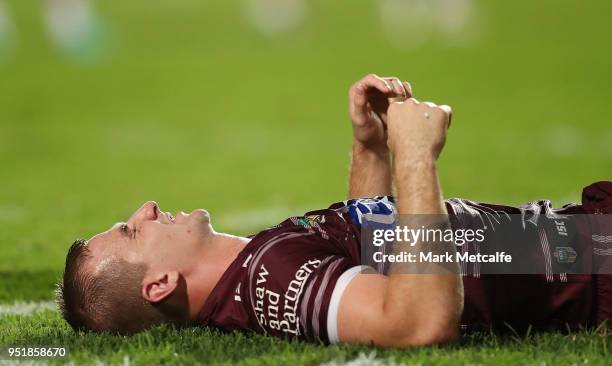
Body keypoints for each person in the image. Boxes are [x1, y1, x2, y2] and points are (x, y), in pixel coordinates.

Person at [57, 74, 612, 348]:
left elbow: (361, 249)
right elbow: (417, 321)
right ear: (159, 285)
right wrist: (415, 155)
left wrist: (369, 148)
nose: (147, 208)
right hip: (592, 266)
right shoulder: (264, 279)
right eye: (132, 231)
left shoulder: (256, 270)